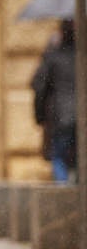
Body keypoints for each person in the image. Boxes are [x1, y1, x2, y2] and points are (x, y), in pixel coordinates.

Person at [31, 19, 76, 183]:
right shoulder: (82, 55)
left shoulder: (53, 56)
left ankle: (64, 197)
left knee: (59, 157)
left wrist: (39, 116)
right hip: (81, 116)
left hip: (61, 116)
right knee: (77, 158)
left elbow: (39, 86)